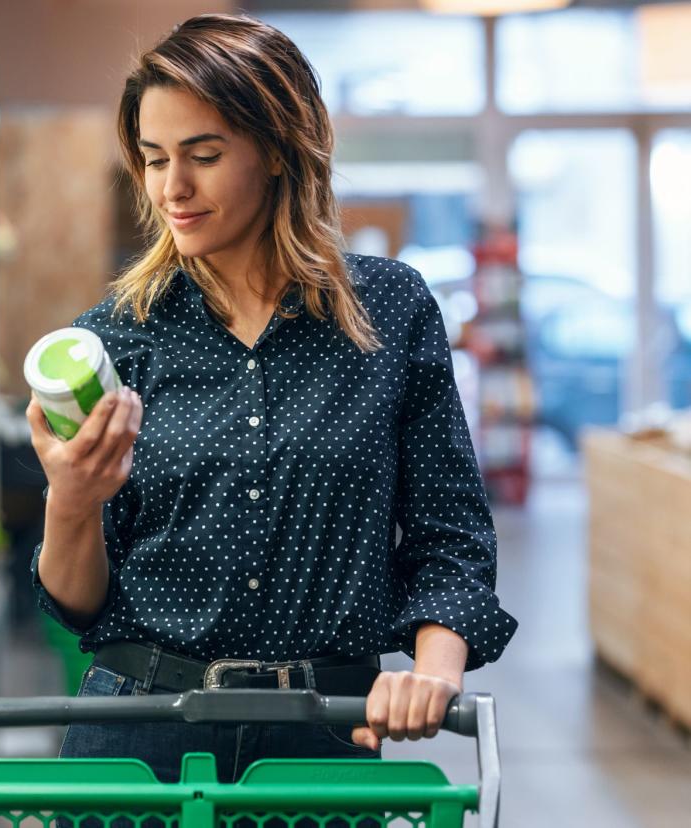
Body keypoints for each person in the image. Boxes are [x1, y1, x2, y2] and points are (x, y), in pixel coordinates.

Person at [25, 12, 518, 786]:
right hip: (143, 730)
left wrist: (434, 671)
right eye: (153, 161)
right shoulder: (115, 340)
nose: (172, 188)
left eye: (204, 155)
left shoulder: (389, 312)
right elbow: (80, 604)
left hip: (323, 733)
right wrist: (72, 501)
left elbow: (449, 532)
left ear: (280, 150)